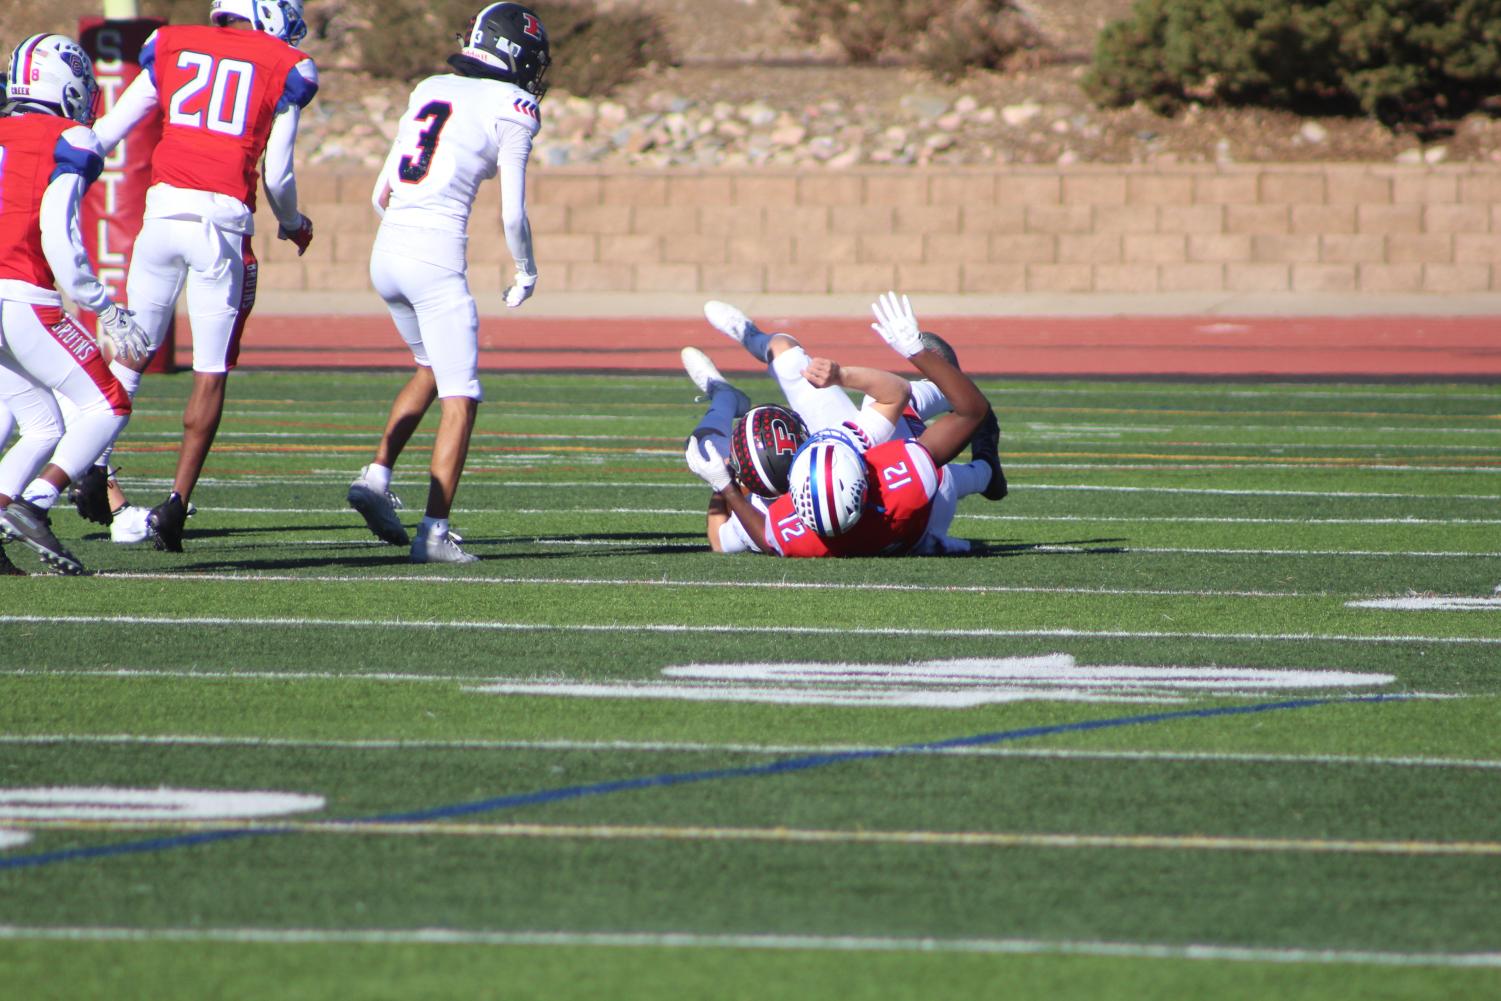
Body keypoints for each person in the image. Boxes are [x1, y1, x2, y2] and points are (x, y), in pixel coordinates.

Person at [77, 0, 317, 552]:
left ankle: (94, 460)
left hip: (160, 215)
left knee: (131, 354)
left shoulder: (170, 43)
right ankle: (177, 506)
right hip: (220, 225)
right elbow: (277, 172)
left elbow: (110, 131)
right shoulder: (283, 62)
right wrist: (292, 222)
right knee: (210, 372)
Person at [344, 2, 549, 564]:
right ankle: (434, 533)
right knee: (464, 394)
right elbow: (513, 215)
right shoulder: (516, 107)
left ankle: (376, 476)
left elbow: (379, 192)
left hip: (386, 254)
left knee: (432, 369)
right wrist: (526, 269)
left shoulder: (431, 86)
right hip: (433, 256)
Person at [684, 292, 1006, 557]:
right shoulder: (901, 476)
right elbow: (960, 409)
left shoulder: (798, 531)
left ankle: (723, 396)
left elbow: (734, 539)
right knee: (940, 475)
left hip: (914, 534)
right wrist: (915, 352)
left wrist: (724, 485)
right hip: (923, 518)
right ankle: (976, 452)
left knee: (705, 450)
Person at [0, 33, 151, 574]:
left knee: (40, 423)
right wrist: (102, 304)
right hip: (21, 293)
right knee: (109, 403)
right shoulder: (69, 137)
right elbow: (59, 234)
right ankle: (35, 503)